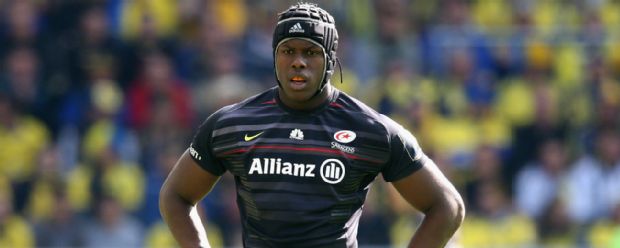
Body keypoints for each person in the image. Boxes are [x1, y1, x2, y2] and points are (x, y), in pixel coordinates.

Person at [160, 3, 465, 248]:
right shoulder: (231, 124)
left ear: (331, 59)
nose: (298, 62)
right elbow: (175, 196)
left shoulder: (373, 130)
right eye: (287, 51)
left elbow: (447, 207)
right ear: (275, 57)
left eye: (310, 52)